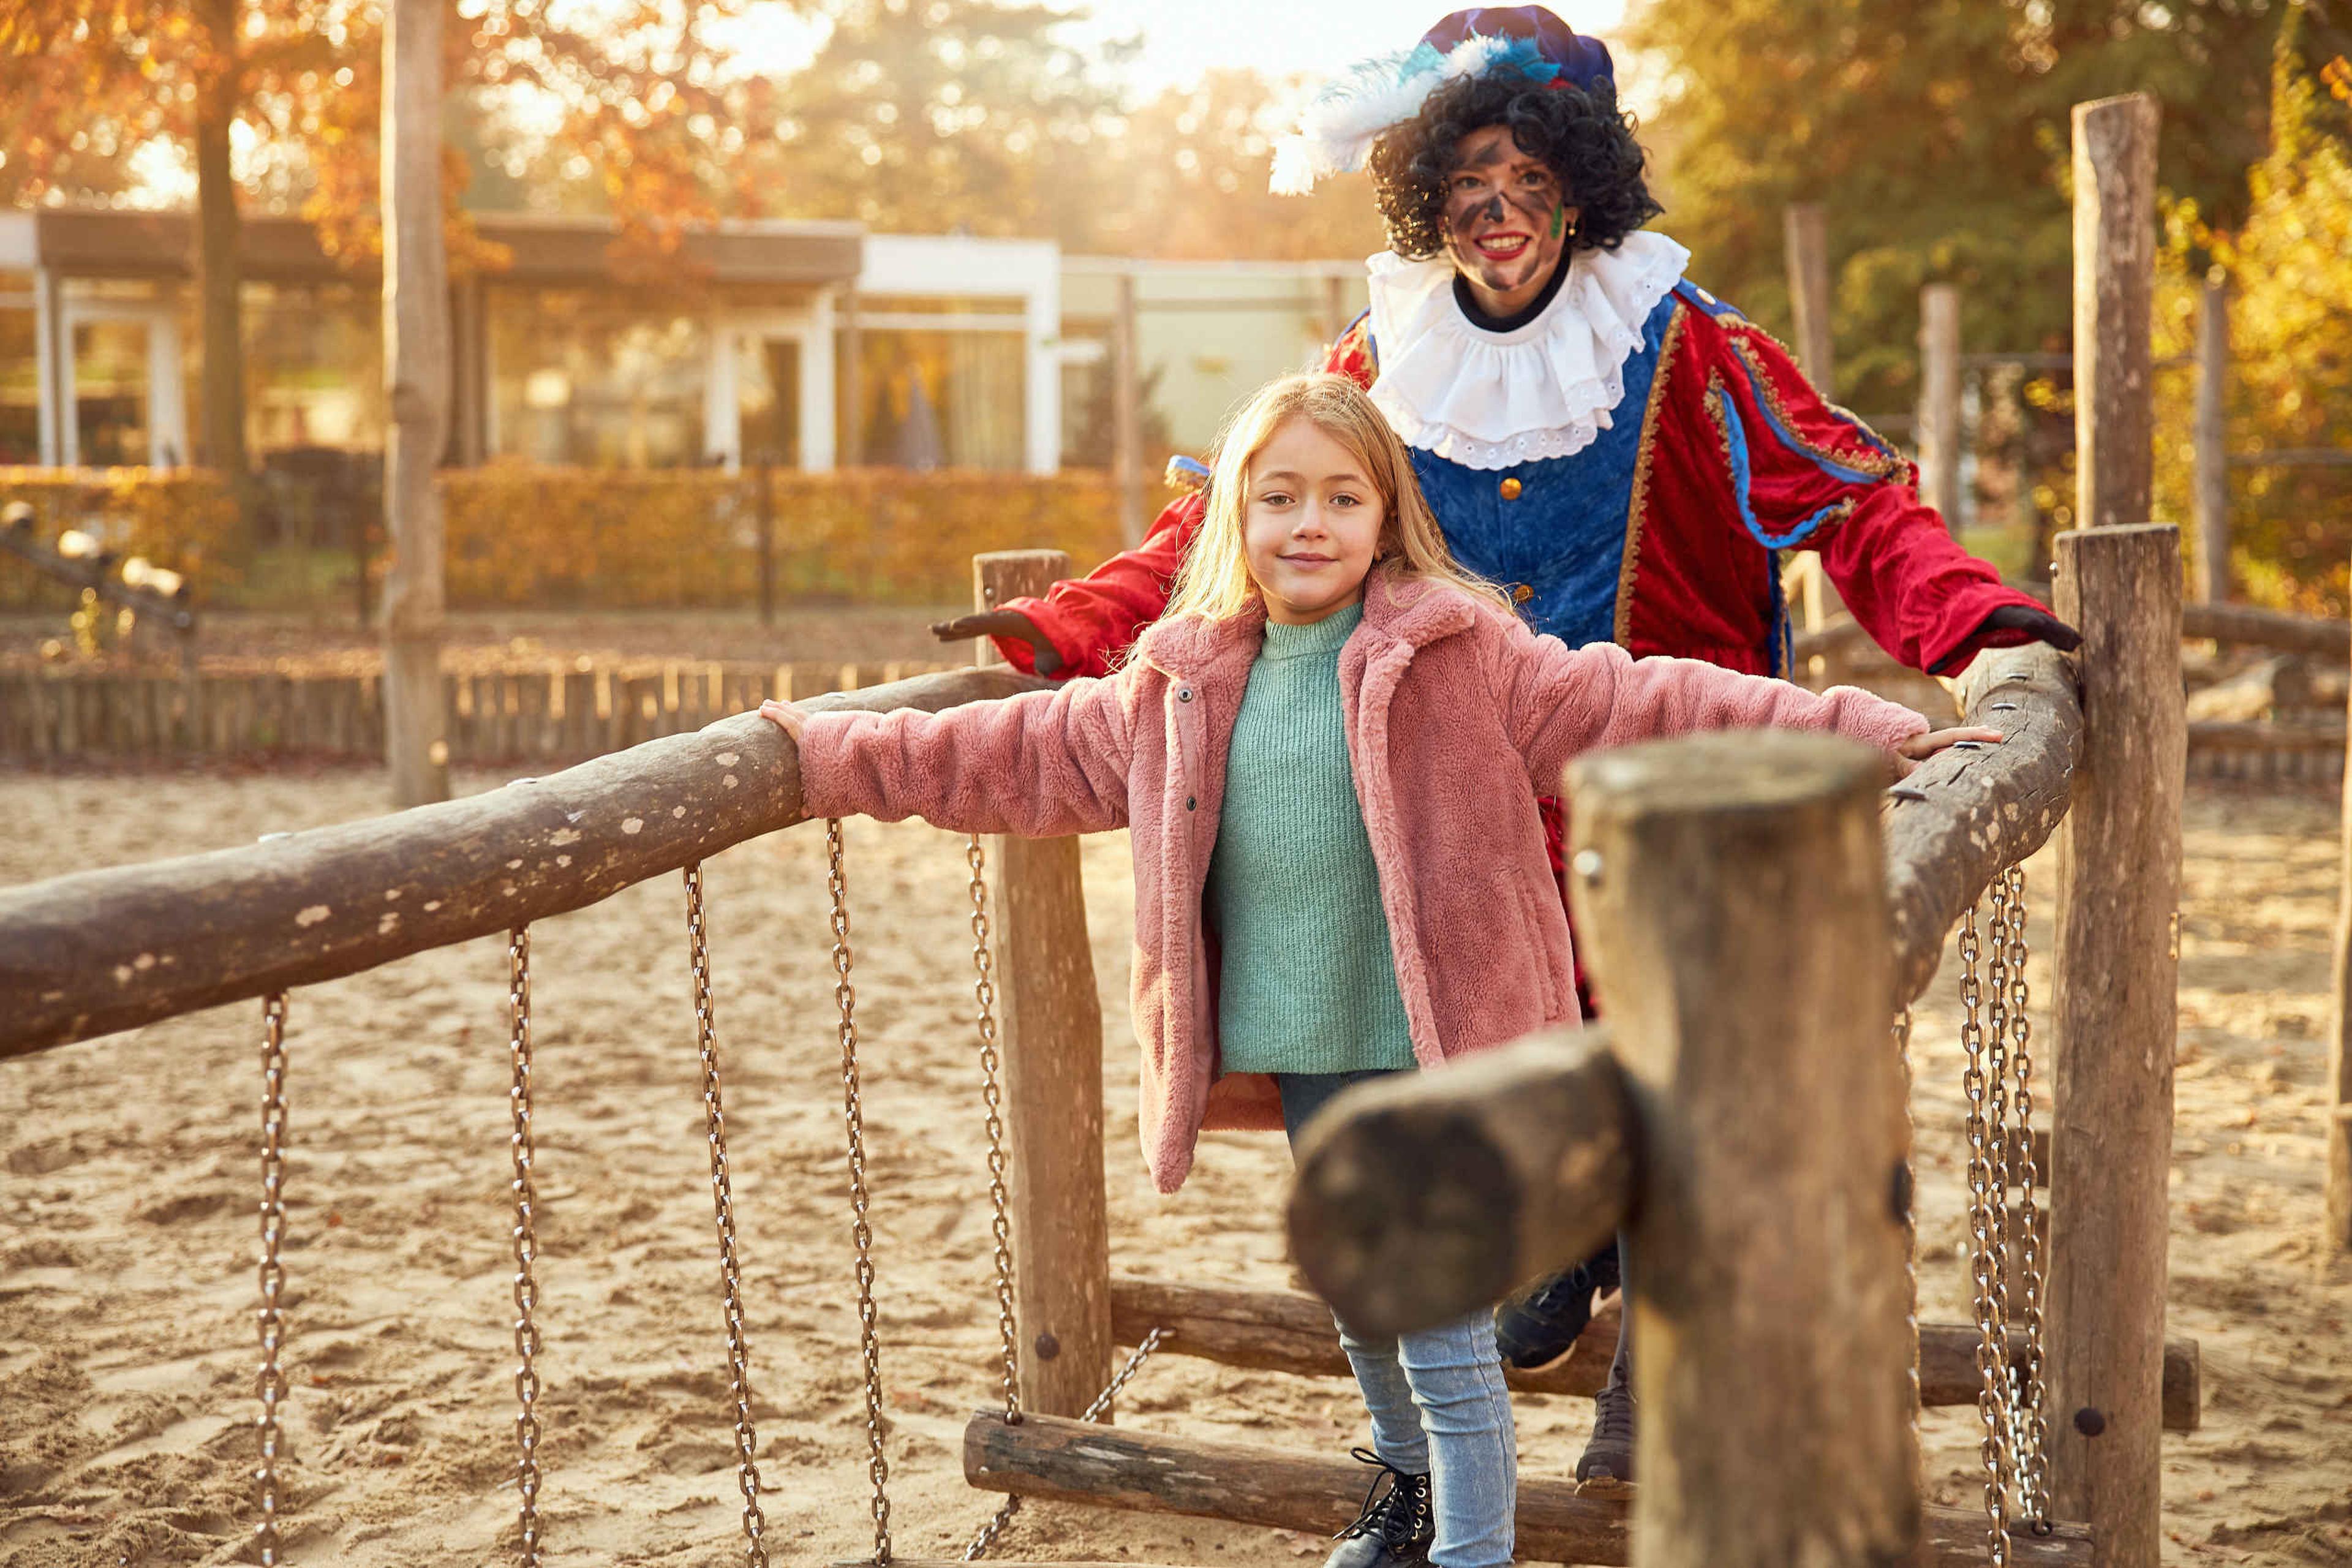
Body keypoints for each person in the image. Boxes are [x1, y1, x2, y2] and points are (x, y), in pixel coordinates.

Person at [927, 4, 2081, 1488]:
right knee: (1502, 1082)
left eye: (1530, 179)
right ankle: (1558, 1252)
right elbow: (1224, 523)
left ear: (1580, 186)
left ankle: (1650, 1385)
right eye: (1467, 184)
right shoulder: (1381, 359)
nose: (1500, 213)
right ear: (1428, 198)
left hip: (1683, 802)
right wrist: (1065, 629)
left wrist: (1978, 622)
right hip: (1468, 820)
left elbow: (1858, 505)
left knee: (1691, 1068)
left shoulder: (1693, 345)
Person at [764, 374, 1997, 1568]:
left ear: (1387, 516)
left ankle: (1474, 1549)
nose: (1310, 524)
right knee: (1364, 1308)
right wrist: (819, 754)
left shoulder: (1463, 657)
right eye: (1281, 497)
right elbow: (1001, 751)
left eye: (1342, 498)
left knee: (1447, 1340)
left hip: (1442, 1051)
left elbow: (1645, 699)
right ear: (1236, 515)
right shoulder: (1177, 685)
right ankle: (1405, 1486)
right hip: (1308, 1050)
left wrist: (1866, 729)